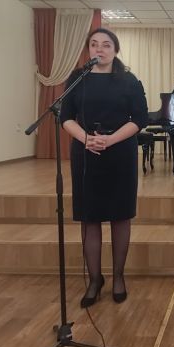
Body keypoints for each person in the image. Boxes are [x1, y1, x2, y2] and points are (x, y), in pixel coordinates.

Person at [61, 28, 149, 308]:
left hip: (120, 152)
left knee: (120, 216)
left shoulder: (128, 80)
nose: (99, 49)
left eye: (106, 45)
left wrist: (110, 140)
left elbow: (140, 118)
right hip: (86, 153)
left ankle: (119, 276)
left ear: (115, 50)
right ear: (88, 49)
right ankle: (95, 279)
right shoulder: (77, 79)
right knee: (90, 218)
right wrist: (86, 139)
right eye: (94, 44)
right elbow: (65, 117)